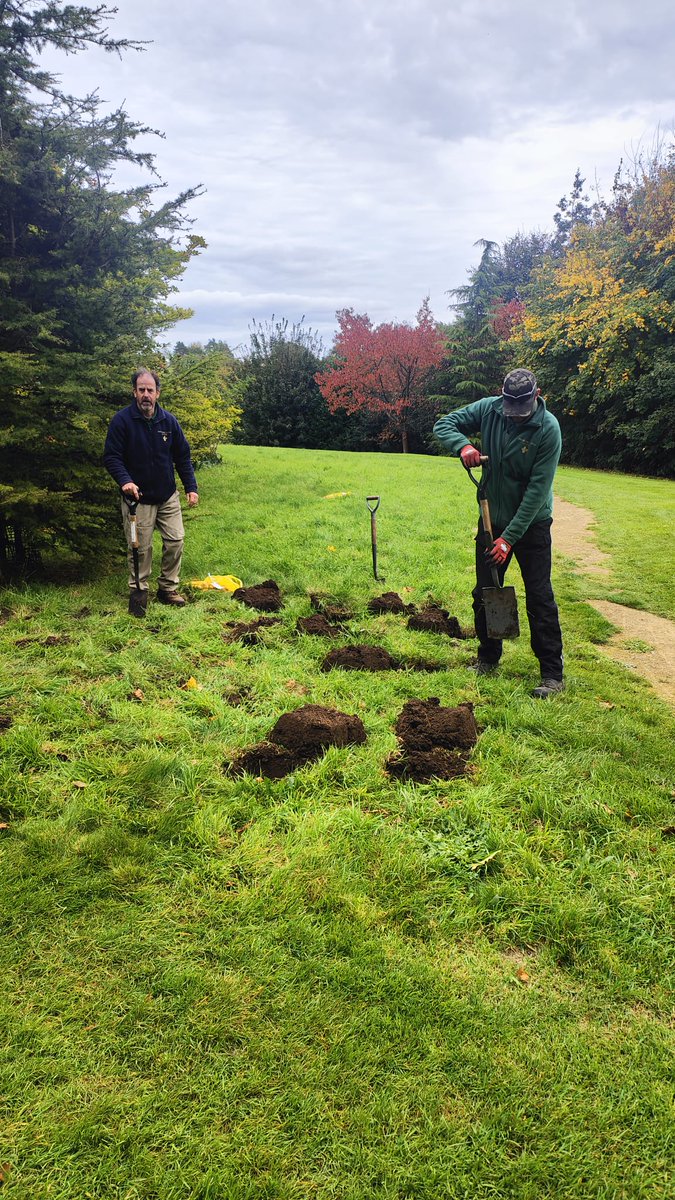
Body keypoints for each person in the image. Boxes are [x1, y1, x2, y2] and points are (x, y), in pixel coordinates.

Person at [433, 368, 564, 699]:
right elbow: (443, 424)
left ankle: (552, 673)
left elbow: (537, 492)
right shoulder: (489, 409)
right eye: (511, 408)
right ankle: (488, 658)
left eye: (522, 409)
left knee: (539, 595)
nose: (516, 417)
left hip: (532, 525)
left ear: (536, 396)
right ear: (502, 395)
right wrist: (463, 446)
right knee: (486, 591)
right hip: (492, 521)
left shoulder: (548, 430)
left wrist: (510, 539)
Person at [104, 369, 199, 616]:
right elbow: (112, 457)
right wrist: (125, 481)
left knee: (176, 540)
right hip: (138, 499)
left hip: (167, 495)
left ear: (158, 393)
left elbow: (183, 457)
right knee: (140, 547)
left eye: (150, 390)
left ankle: (167, 588)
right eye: (141, 389)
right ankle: (139, 591)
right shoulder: (122, 421)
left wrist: (191, 488)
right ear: (134, 392)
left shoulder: (169, 422)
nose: (146, 395)